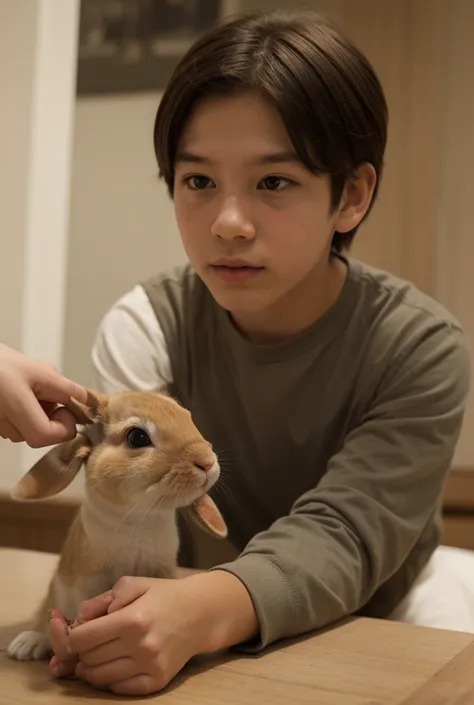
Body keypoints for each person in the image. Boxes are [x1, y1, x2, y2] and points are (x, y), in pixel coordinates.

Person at [0, 9, 472, 697]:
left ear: (353, 195)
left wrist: (205, 609)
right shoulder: (146, 323)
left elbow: (347, 531)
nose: (228, 222)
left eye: (273, 182)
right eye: (198, 182)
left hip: (380, 610)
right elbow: (129, 503)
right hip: (181, 617)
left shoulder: (419, 346)